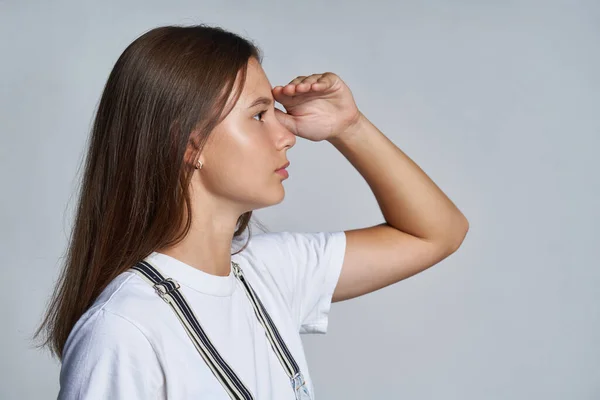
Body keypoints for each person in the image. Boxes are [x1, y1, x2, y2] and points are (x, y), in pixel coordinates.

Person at [34, 24, 469, 399]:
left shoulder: (269, 273)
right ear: (188, 143)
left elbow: (437, 233)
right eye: (260, 114)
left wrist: (349, 127)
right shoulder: (124, 330)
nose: (287, 134)